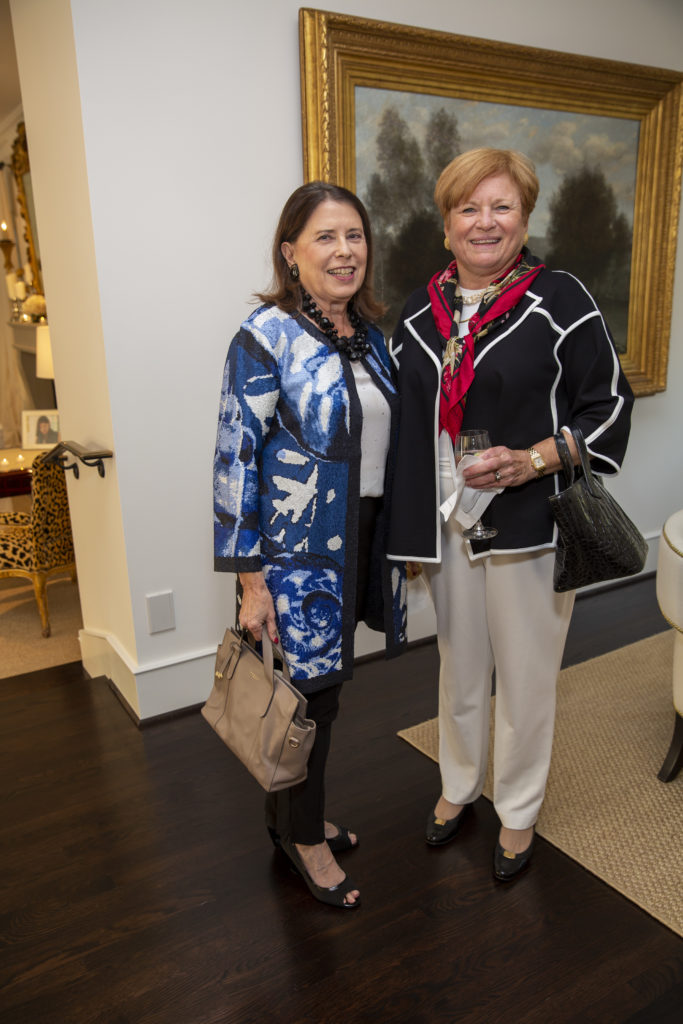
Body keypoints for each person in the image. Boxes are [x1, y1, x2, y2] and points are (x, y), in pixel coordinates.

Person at [387, 148, 634, 881]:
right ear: (445, 225)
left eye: (500, 207)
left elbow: (608, 406)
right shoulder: (415, 313)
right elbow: (404, 423)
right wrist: (405, 526)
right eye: (468, 208)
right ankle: (458, 785)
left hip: (528, 523)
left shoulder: (559, 299)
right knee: (458, 666)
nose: (484, 222)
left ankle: (518, 810)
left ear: (524, 218)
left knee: (525, 676)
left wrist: (534, 459)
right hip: (447, 521)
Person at [213, 181, 406, 908]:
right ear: (291, 252)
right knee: (307, 702)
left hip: (360, 541)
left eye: (354, 236)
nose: (344, 251)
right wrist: (250, 580)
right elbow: (235, 456)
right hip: (295, 554)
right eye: (325, 237)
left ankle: (288, 815)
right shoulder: (264, 337)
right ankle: (304, 841)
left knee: (320, 694)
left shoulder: (371, 339)